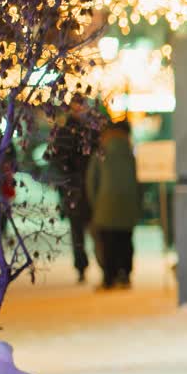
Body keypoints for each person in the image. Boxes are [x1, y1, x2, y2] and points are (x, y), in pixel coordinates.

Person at [47, 98, 99, 282]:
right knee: (83, 230)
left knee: (82, 230)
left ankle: (85, 265)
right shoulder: (79, 132)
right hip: (78, 188)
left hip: (78, 188)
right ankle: (84, 265)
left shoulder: (87, 131)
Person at [85, 120, 140, 290]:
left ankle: (109, 278)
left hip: (105, 204)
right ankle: (125, 275)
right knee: (125, 240)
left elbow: (91, 181)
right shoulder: (131, 154)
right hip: (127, 204)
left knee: (107, 243)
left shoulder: (101, 153)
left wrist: (96, 203)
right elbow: (140, 182)